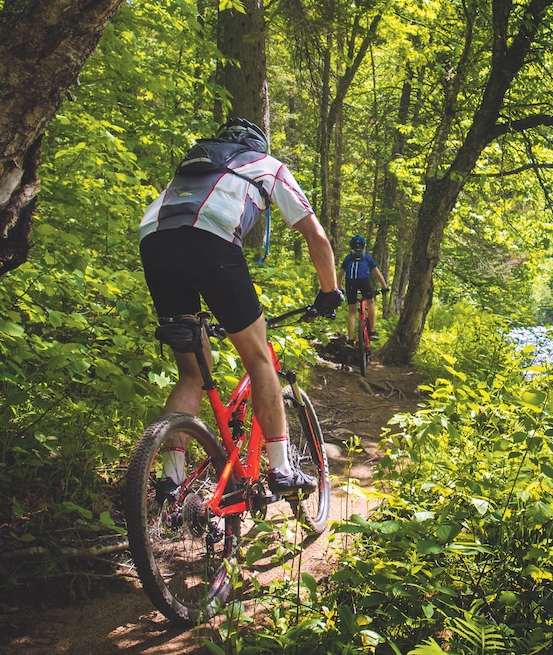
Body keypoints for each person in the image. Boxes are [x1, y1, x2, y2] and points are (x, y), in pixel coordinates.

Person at [138, 117, 343, 495]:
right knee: (258, 357)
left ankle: (171, 477)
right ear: (257, 146)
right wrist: (329, 291)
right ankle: (282, 470)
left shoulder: (194, 168)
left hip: (154, 242)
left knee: (191, 373)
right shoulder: (266, 165)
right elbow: (315, 234)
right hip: (211, 243)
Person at [338, 234, 389, 343]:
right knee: (370, 302)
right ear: (364, 246)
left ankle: (350, 339)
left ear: (351, 247)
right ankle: (372, 331)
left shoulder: (348, 258)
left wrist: (340, 287)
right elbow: (377, 273)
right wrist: (384, 287)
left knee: (352, 311)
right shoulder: (367, 257)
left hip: (350, 281)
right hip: (363, 281)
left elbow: (340, 275)